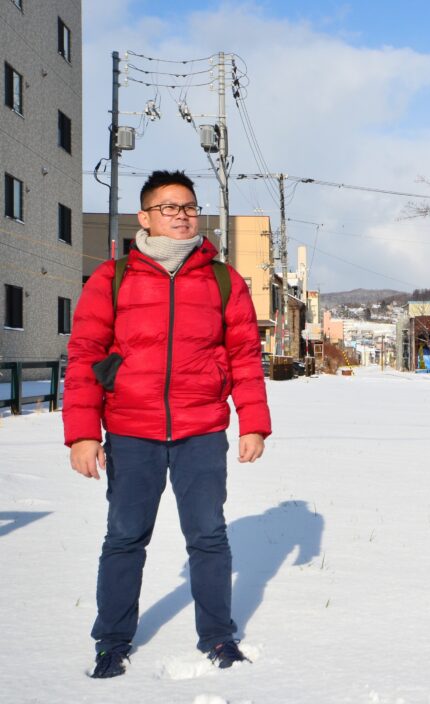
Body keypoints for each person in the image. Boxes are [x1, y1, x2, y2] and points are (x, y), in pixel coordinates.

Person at [63, 170, 272, 678]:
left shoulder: (223, 280)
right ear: (145, 217)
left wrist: (253, 423)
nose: (181, 215)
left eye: (188, 207)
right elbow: (85, 356)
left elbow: (244, 354)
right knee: (125, 537)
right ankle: (111, 640)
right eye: (169, 207)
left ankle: (218, 637)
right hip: (132, 431)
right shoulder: (112, 279)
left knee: (208, 536)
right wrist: (84, 433)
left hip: (201, 430)